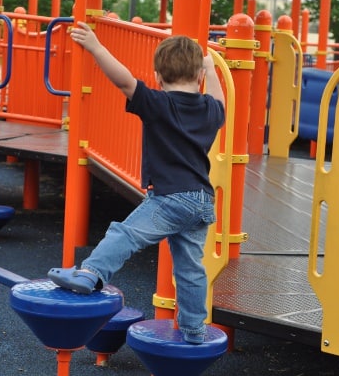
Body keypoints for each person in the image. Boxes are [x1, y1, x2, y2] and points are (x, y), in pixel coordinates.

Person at [47, 21, 225, 345]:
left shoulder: (158, 103)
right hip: (202, 201)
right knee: (189, 269)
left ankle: (92, 273)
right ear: (199, 77)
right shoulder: (211, 110)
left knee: (124, 233)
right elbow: (219, 98)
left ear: (157, 77)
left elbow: (124, 81)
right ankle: (195, 329)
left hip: (170, 198)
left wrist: (96, 47)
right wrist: (211, 68)